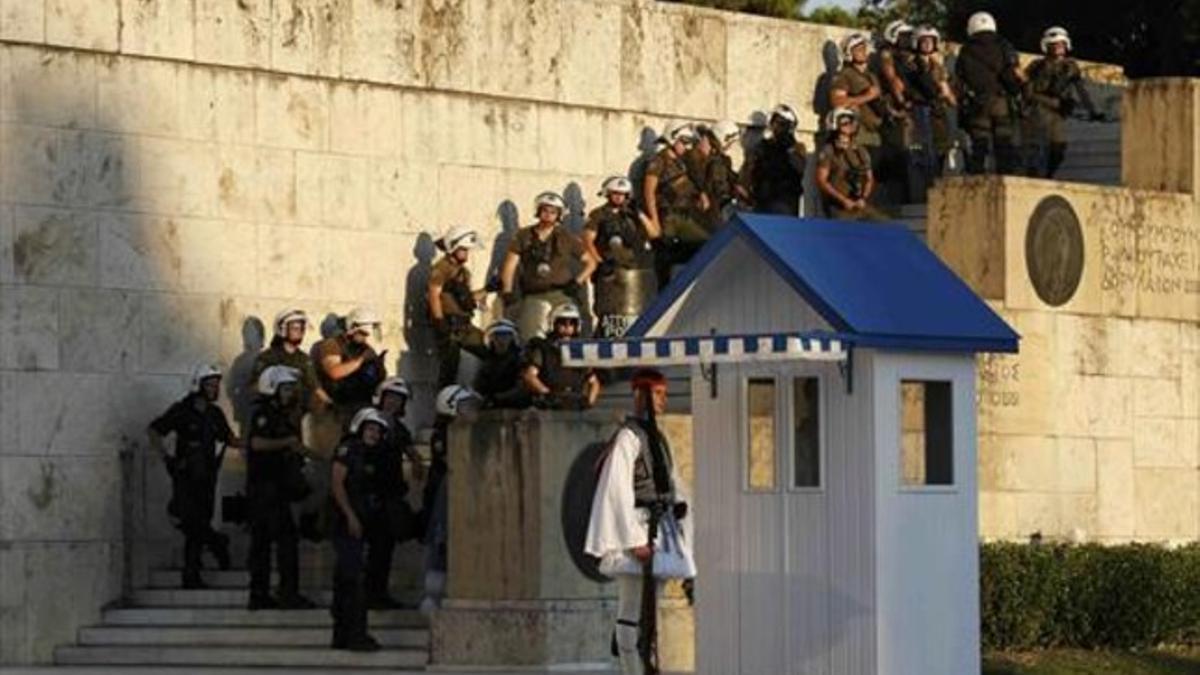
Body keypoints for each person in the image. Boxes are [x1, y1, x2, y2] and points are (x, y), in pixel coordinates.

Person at [585, 368, 695, 675]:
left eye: (664, 393)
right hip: (638, 529)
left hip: (660, 529)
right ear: (641, 395)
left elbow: (670, 480)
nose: (663, 400)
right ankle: (631, 669)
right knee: (631, 610)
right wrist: (633, 539)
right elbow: (616, 489)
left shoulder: (656, 436)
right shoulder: (628, 437)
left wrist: (679, 504)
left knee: (650, 611)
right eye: (658, 394)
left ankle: (644, 665)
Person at [147, 364, 239, 589]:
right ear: (198, 385)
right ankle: (213, 547)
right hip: (185, 475)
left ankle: (195, 569)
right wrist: (166, 458)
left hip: (206, 476)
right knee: (186, 519)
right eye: (209, 384)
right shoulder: (183, 410)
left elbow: (230, 439)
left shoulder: (215, 414)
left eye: (216, 385)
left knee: (198, 522)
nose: (213, 389)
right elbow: (154, 430)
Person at [245, 365, 316, 610]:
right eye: (285, 388)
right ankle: (281, 593)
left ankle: (266, 593)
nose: (289, 393)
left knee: (272, 542)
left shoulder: (282, 415)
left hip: (277, 488)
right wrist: (287, 442)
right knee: (279, 541)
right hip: (265, 488)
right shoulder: (264, 414)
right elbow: (256, 443)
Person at [329, 407, 395, 651]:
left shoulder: (373, 455)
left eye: (378, 430)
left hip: (362, 522)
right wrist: (350, 516)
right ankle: (354, 635)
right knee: (353, 581)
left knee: (348, 579)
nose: (374, 434)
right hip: (346, 524)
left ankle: (344, 634)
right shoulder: (349, 450)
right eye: (370, 428)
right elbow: (337, 484)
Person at [500, 191, 597, 340]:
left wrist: (578, 282)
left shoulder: (566, 237)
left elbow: (590, 262)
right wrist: (507, 291)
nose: (548, 215)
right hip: (534, 294)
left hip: (561, 294)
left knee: (568, 335)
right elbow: (510, 265)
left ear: (558, 215)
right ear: (538, 211)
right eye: (545, 210)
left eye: (553, 212)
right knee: (531, 337)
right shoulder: (523, 236)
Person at [420, 385, 482, 612]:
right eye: (467, 406)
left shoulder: (472, 434)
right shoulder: (445, 435)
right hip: (446, 493)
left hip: (462, 491)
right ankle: (433, 598)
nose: (473, 410)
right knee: (440, 541)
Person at [366, 377, 424, 608]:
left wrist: (418, 463)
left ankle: (379, 593)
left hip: (391, 495)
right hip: (371, 495)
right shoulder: (369, 422)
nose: (393, 403)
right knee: (374, 549)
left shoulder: (398, 428)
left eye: (398, 400)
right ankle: (371, 593)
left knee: (385, 548)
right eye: (390, 398)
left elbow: (411, 451)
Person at [582, 176, 660, 339]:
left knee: (636, 315)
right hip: (611, 273)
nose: (619, 197)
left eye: (623, 194)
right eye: (615, 193)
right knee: (612, 318)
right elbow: (588, 239)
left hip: (635, 275)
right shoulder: (599, 215)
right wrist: (599, 262)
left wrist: (638, 212)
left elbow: (654, 233)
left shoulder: (632, 215)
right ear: (607, 194)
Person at [1024, 26, 1102, 178]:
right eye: (1055, 45)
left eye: (1061, 44)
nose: (1059, 48)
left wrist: (1093, 111)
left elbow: (1082, 91)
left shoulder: (1070, 67)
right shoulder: (1037, 66)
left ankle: (1047, 175)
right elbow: (1028, 91)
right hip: (1038, 112)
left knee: (1058, 149)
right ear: (1047, 46)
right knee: (1037, 150)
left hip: (1057, 114)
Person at [955, 11, 1024, 175]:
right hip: (1000, 102)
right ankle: (1005, 177)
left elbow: (959, 79)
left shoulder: (965, 50)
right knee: (1003, 143)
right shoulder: (1003, 45)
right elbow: (1011, 72)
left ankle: (976, 178)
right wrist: (1016, 92)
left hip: (977, 104)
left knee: (979, 144)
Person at [644, 123, 708, 287]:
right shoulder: (659, 160)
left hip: (684, 215)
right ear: (672, 139)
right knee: (664, 255)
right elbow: (649, 191)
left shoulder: (682, 162)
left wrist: (699, 196)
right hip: (667, 216)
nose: (687, 146)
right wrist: (654, 220)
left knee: (705, 245)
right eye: (684, 141)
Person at [428, 225, 490, 388]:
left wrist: (488, 289)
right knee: (449, 369)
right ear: (452, 247)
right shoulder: (442, 267)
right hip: (449, 324)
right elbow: (434, 294)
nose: (466, 254)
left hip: (464, 324)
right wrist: (439, 321)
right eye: (463, 249)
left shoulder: (463, 272)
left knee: (489, 352)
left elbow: (466, 298)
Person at [250, 308, 331, 425]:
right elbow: (253, 386)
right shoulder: (268, 357)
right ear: (282, 330)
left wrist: (329, 404)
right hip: (270, 415)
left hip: (296, 416)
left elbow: (315, 386)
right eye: (295, 328)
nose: (300, 332)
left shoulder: (304, 359)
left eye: (302, 329)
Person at [905, 25, 958, 197]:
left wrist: (950, 97)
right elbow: (925, 86)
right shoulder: (912, 64)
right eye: (923, 41)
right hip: (919, 113)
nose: (927, 44)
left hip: (937, 114)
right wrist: (940, 91)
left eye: (931, 41)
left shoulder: (937, 65)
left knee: (943, 150)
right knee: (921, 154)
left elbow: (947, 93)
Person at [314, 307, 387, 425]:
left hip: (364, 405)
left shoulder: (366, 349)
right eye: (363, 333)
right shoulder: (333, 344)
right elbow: (334, 372)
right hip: (341, 407)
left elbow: (379, 378)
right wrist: (361, 360)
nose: (366, 337)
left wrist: (378, 362)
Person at [522, 302, 601, 410]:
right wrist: (547, 394)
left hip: (574, 404)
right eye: (562, 322)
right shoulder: (544, 348)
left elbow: (593, 381)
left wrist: (589, 402)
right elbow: (530, 376)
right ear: (554, 324)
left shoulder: (579, 350)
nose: (567, 326)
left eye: (572, 323)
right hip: (549, 407)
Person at [816, 107, 888, 221]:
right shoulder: (828, 151)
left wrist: (863, 198)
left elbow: (869, 178)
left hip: (859, 203)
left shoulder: (860, 151)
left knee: (884, 224)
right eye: (845, 123)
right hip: (838, 207)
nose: (850, 126)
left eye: (850, 122)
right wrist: (843, 200)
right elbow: (822, 181)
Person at [738, 104, 807, 216]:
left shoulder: (795, 147)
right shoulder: (763, 146)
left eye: (781, 124)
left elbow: (800, 168)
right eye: (775, 122)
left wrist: (788, 147)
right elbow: (751, 167)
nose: (776, 127)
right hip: (762, 199)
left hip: (784, 201)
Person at [830, 32, 886, 169]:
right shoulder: (844, 75)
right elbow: (837, 102)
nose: (863, 52)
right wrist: (867, 96)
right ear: (849, 53)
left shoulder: (871, 75)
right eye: (858, 49)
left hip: (876, 133)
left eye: (864, 48)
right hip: (857, 134)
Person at [693, 120, 742, 228]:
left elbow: (733, 180)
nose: (730, 146)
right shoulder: (701, 158)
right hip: (711, 210)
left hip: (721, 206)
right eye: (729, 142)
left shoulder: (723, 159)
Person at [474, 319, 531, 409]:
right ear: (491, 339)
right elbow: (479, 385)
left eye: (506, 336)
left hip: (515, 409)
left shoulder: (519, 359)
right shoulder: (486, 359)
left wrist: (496, 398)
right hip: (489, 410)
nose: (501, 340)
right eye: (497, 336)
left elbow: (522, 388)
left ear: (513, 338)